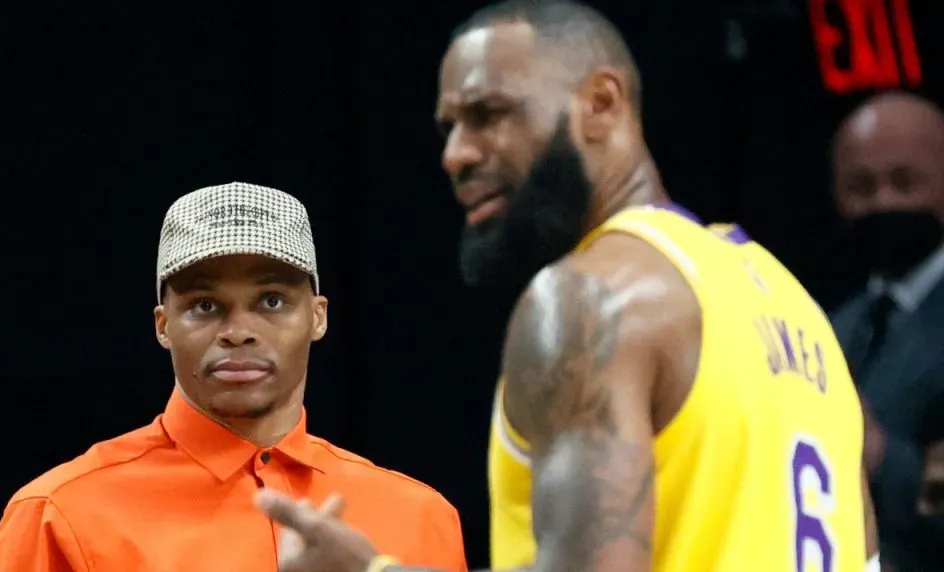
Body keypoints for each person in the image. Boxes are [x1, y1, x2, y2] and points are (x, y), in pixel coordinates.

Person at [254, 1, 881, 572]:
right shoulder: (794, 304)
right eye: (448, 127)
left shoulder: (587, 299)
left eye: (488, 114)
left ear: (601, 103)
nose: (456, 154)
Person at [0, 182, 467, 572]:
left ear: (318, 317)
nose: (238, 332)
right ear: (163, 325)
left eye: (271, 300)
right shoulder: (59, 513)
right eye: (204, 306)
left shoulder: (421, 518)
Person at [828, 92, 944, 572]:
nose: (883, 202)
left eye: (904, 181)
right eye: (861, 185)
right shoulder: (835, 324)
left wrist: (875, 450)